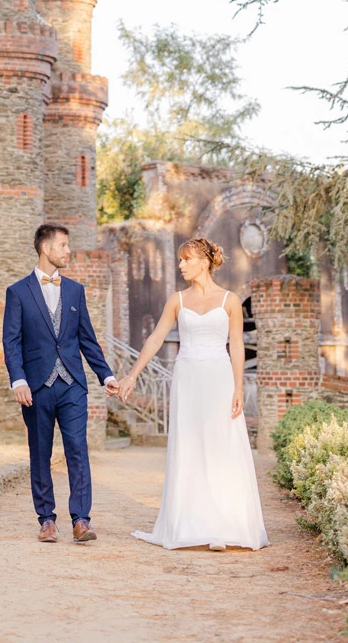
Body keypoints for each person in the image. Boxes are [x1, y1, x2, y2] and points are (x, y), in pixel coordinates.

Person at [117, 235, 268, 551]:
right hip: (187, 380)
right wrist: (132, 375)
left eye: (186, 259)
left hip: (219, 379)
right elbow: (156, 338)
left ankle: (223, 527)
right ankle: (189, 524)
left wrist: (238, 387)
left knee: (221, 447)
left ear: (204, 262)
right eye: (180, 259)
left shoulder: (230, 301)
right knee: (189, 448)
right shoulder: (177, 300)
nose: (181, 265)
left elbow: (237, 346)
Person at [3, 221, 119, 543]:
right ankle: (46, 520)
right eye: (64, 245)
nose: (69, 251)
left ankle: (81, 519)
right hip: (35, 387)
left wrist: (106, 375)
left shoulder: (75, 291)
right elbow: (11, 342)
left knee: (77, 449)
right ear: (46, 248)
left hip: (72, 385)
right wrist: (18, 380)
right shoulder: (17, 292)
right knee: (40, 452)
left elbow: (87, 340)